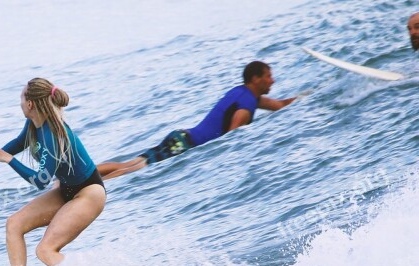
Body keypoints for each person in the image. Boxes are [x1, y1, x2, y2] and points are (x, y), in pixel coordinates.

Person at [0, 78, 106, 266]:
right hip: (66, 190)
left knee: (45, 250)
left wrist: (10, 160)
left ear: (30, 104)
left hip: (88, 193)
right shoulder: (34, 123)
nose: (19, 102)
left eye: (21, 97)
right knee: (14, 224)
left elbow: (41, 180)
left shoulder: (53, 135)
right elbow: (20, 142)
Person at [97, 61, 296, 180]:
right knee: (134, 168)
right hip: (186, 144)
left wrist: (307, 95)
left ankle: (88, 175)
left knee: (131, 163)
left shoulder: (243, 94)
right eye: (269, 76)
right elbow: (230, 139)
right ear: (255, 79)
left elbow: (278, 105)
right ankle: (96, 186)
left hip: (181, 137)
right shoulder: (245, 106)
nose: (273, 80)